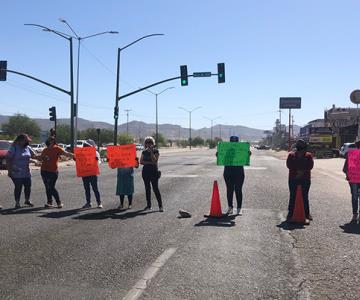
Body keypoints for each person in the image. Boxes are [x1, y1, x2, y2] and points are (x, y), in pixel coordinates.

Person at [6, 134, 39, 208]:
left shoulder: (28, 147)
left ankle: (27, 200)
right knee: (18, 187)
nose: (28, 142)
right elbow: (8, 159)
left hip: (26, 172)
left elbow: (35, 155)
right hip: (16, 172)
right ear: (21, 141)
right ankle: (17, 202)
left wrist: (44, 155)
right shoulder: (14, 148)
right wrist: (9, 171)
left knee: (28, 186)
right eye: (26, 141)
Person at [40, 136, 74, 208]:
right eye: (49, 140)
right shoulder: (45, 150)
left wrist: (75, 156)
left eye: (52, 140)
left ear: (53, 141)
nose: (50, 141)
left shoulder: (57, 148)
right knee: (47, 187)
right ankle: (49, 202)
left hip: (53, 171)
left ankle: (59, 202)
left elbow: (66, 153)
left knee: (51, 187)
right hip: (44, 170)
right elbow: (41, 158)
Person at [286, 139, 314, 221]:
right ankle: (290, 213)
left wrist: (301, 172)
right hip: (293, 179)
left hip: (305, 179)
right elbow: (289, 165)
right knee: (293, 196)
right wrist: (297, 172)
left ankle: (306, 213)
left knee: (305, 196)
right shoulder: (291, 155)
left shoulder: (308, 156)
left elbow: (310, 166)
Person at [222, 136, 250, 216]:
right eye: (232, 142)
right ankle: (230, 207)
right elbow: (221, 159)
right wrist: (218, 155)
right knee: (229, 190)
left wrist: (248, 154)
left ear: (238, 142)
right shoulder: (225, 150)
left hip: (239, 173)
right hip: (228, 172)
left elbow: (245, 159)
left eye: (235, 142)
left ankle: (239, 208)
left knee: (238, 190)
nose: (234, 143)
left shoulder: (241, 150)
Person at [140, 136, 163, 212]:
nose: (148, 144)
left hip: (154, 172)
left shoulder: (156, 151)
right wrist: (149, 162)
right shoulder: (144, 152)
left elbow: (155, 161)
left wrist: (151, 152)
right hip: (145, 172)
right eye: (147, 142)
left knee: (155, 188)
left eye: (150, 142)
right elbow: (141, 161)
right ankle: (149, 205)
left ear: (153, 143)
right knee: (147, 188)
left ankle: (160, 206)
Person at [80, 139, 102, 209]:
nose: (85, 146)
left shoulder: (95, 153)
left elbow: (99, 162)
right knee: (87, 189)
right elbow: (79, 161)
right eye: (85, 145)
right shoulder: (81, 152)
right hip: (85, 173)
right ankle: (88, 202)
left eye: (87, 145)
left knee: (95, 188)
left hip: (92, 173)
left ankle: (99, 203)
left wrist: (96, 160)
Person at [343, 139, 360, 221]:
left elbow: (345, 168)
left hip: (353, 180)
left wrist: (348, 175)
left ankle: (355, 214)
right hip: (354, 179)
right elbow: (345, 168)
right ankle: (355, 214)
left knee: (354, 196)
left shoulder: (351, 155)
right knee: (355, 196)